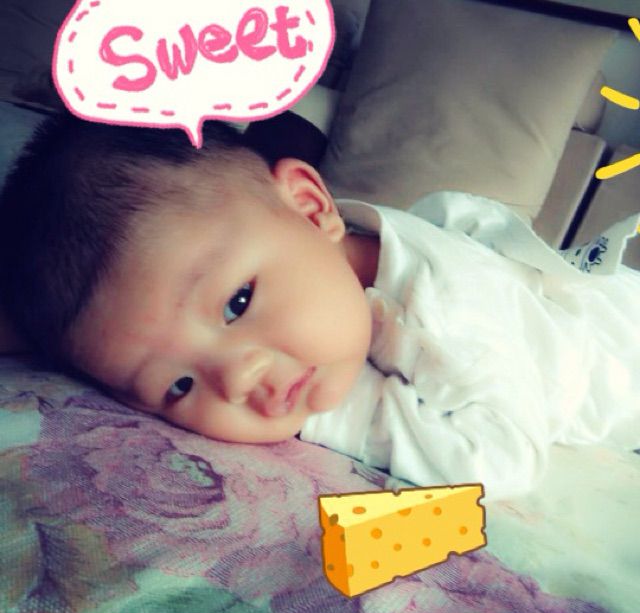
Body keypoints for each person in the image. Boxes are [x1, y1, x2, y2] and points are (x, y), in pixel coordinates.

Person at [1, 113, 638, 500]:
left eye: (237, 302)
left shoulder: (450, 303)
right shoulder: (311, 269)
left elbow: (502, 459)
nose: (237, 381)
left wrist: (330, 415)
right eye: (178, 386)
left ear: (311, 207)